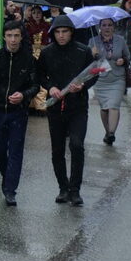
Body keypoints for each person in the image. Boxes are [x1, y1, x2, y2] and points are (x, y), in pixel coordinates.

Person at [37, 15, 95, 206]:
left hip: (77, 106)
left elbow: (94, 74)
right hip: (55, 107)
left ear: (71, 32)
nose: (61, 36)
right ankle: (63, 187)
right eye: (58, 32)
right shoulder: (47, 52)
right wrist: (51, 86)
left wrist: (83, 86)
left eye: (65, 32)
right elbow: (40, 75)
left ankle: (75, 189)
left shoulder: (83, 50)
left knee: (77, 145)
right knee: (57, 149)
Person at [0, 21, 37, 206]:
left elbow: (35, 86)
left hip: (18, 112)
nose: (13, 40)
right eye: (9, 36)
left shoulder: (29, 60)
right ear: (4, 37)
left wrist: (24, 95)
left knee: (16, 151)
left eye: (16, 36)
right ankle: (7, 177)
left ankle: (10, 190)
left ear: (21, 37)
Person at [87, 18, 130, 146]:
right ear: (100, 27)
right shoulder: (93, 41)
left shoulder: (120, 40)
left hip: (117, 78)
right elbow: (87, 62)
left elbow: (128, 56)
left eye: (110, 25)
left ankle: (111, 133)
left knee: (113, 105)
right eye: (104, 25)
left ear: (114, 27)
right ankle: (108, 133)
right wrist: (91, 54)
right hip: (100, 80)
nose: (107, 28)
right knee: (105, 108)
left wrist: (123, 60)